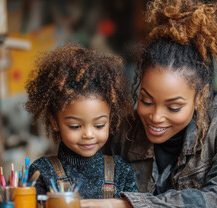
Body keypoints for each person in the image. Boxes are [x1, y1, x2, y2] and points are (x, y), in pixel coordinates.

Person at [80, 0, 217, 208]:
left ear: (200, 97)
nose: (155, 117)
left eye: (174, 107)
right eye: (146, 101)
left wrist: (123, 205)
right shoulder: (124, 129)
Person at [25, 43, 138, 199]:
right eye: (75, 126)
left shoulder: (121, 171)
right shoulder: (42, 171)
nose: (88, 134)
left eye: (99, 125)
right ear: (54, 122)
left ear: (110, 119)